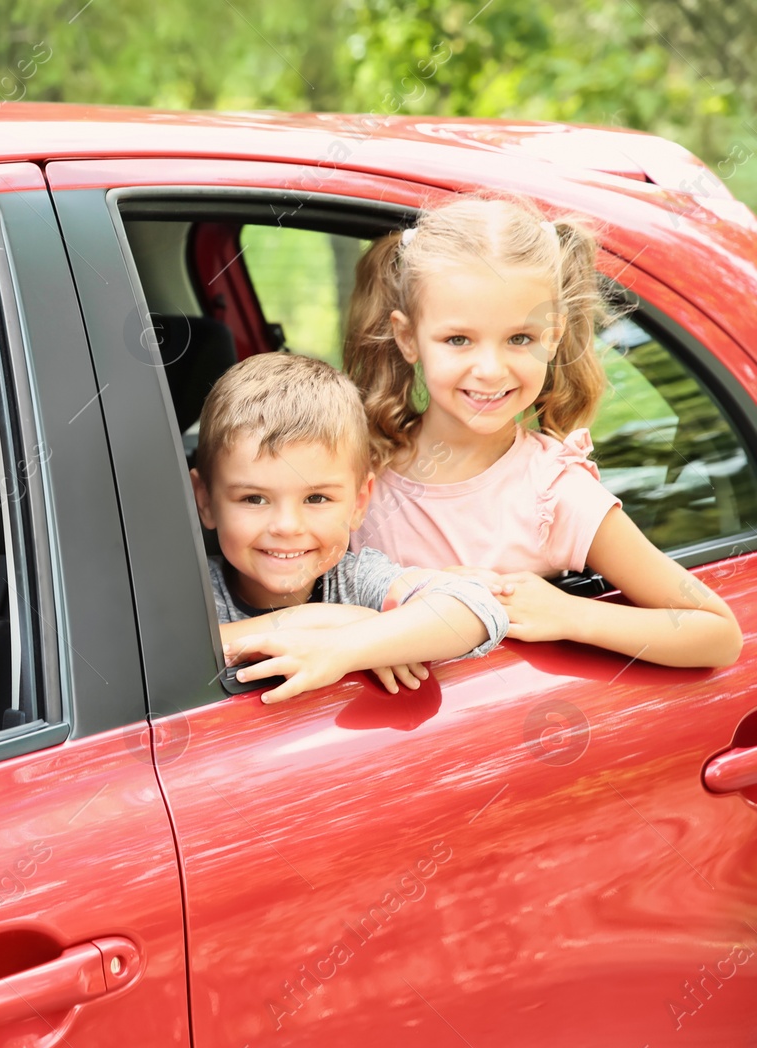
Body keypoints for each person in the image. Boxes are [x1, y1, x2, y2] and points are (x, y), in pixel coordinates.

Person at [344, 195, 742, 668]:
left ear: (553, 336)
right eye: (458, 340)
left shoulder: (554, 496)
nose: (490, 370)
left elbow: (716, 633)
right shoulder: (356, 463)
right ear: (408, 338)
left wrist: (570, 614)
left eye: (519, 339)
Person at [191, 351, 507, 705]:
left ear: (359, 504)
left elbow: (477, 608)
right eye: (254, 499)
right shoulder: (191, 594)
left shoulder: (356, 579)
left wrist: (344, 647)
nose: (287, 526)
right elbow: (154, 657)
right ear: (204, 500)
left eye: (316, 499)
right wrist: (317, 618)